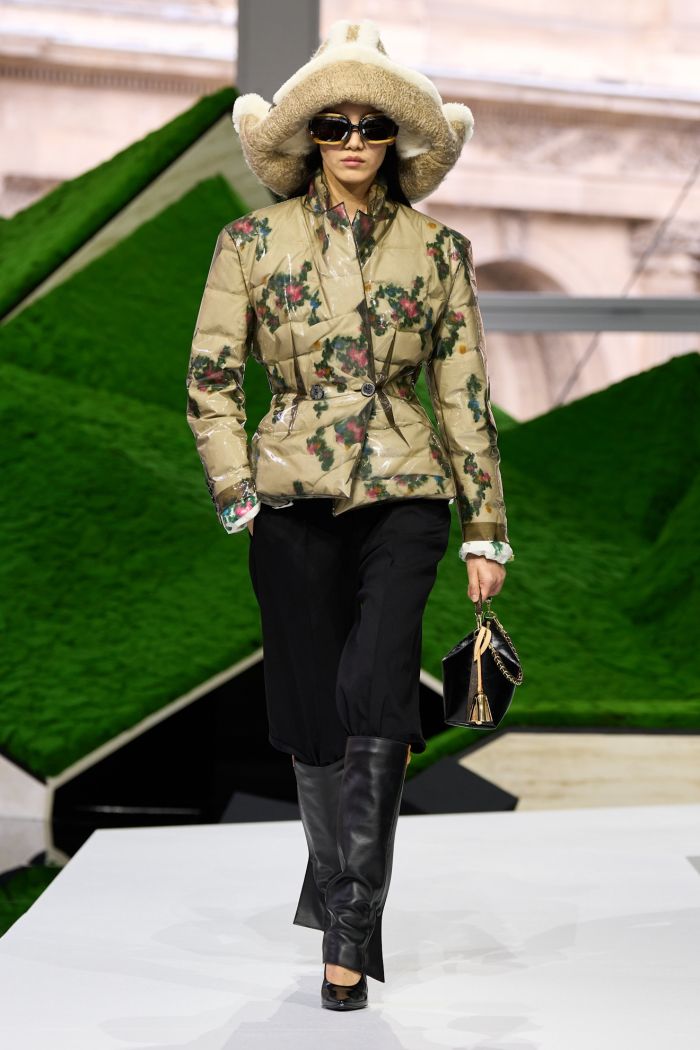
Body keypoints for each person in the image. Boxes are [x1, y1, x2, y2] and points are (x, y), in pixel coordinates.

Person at [186, 18, 514, 1011]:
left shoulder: (439, 251)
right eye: (336, 125)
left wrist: (485, 527)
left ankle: (346, 932)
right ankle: (340, 894)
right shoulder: (250, 243)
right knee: (311, 717)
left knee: (377, 697)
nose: (356, 140)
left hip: (407, 496)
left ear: (395, 138)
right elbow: (210, 379)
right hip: (290, 501)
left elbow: (464, 393)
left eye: (373, 125)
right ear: (311, 138)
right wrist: (238, 493)